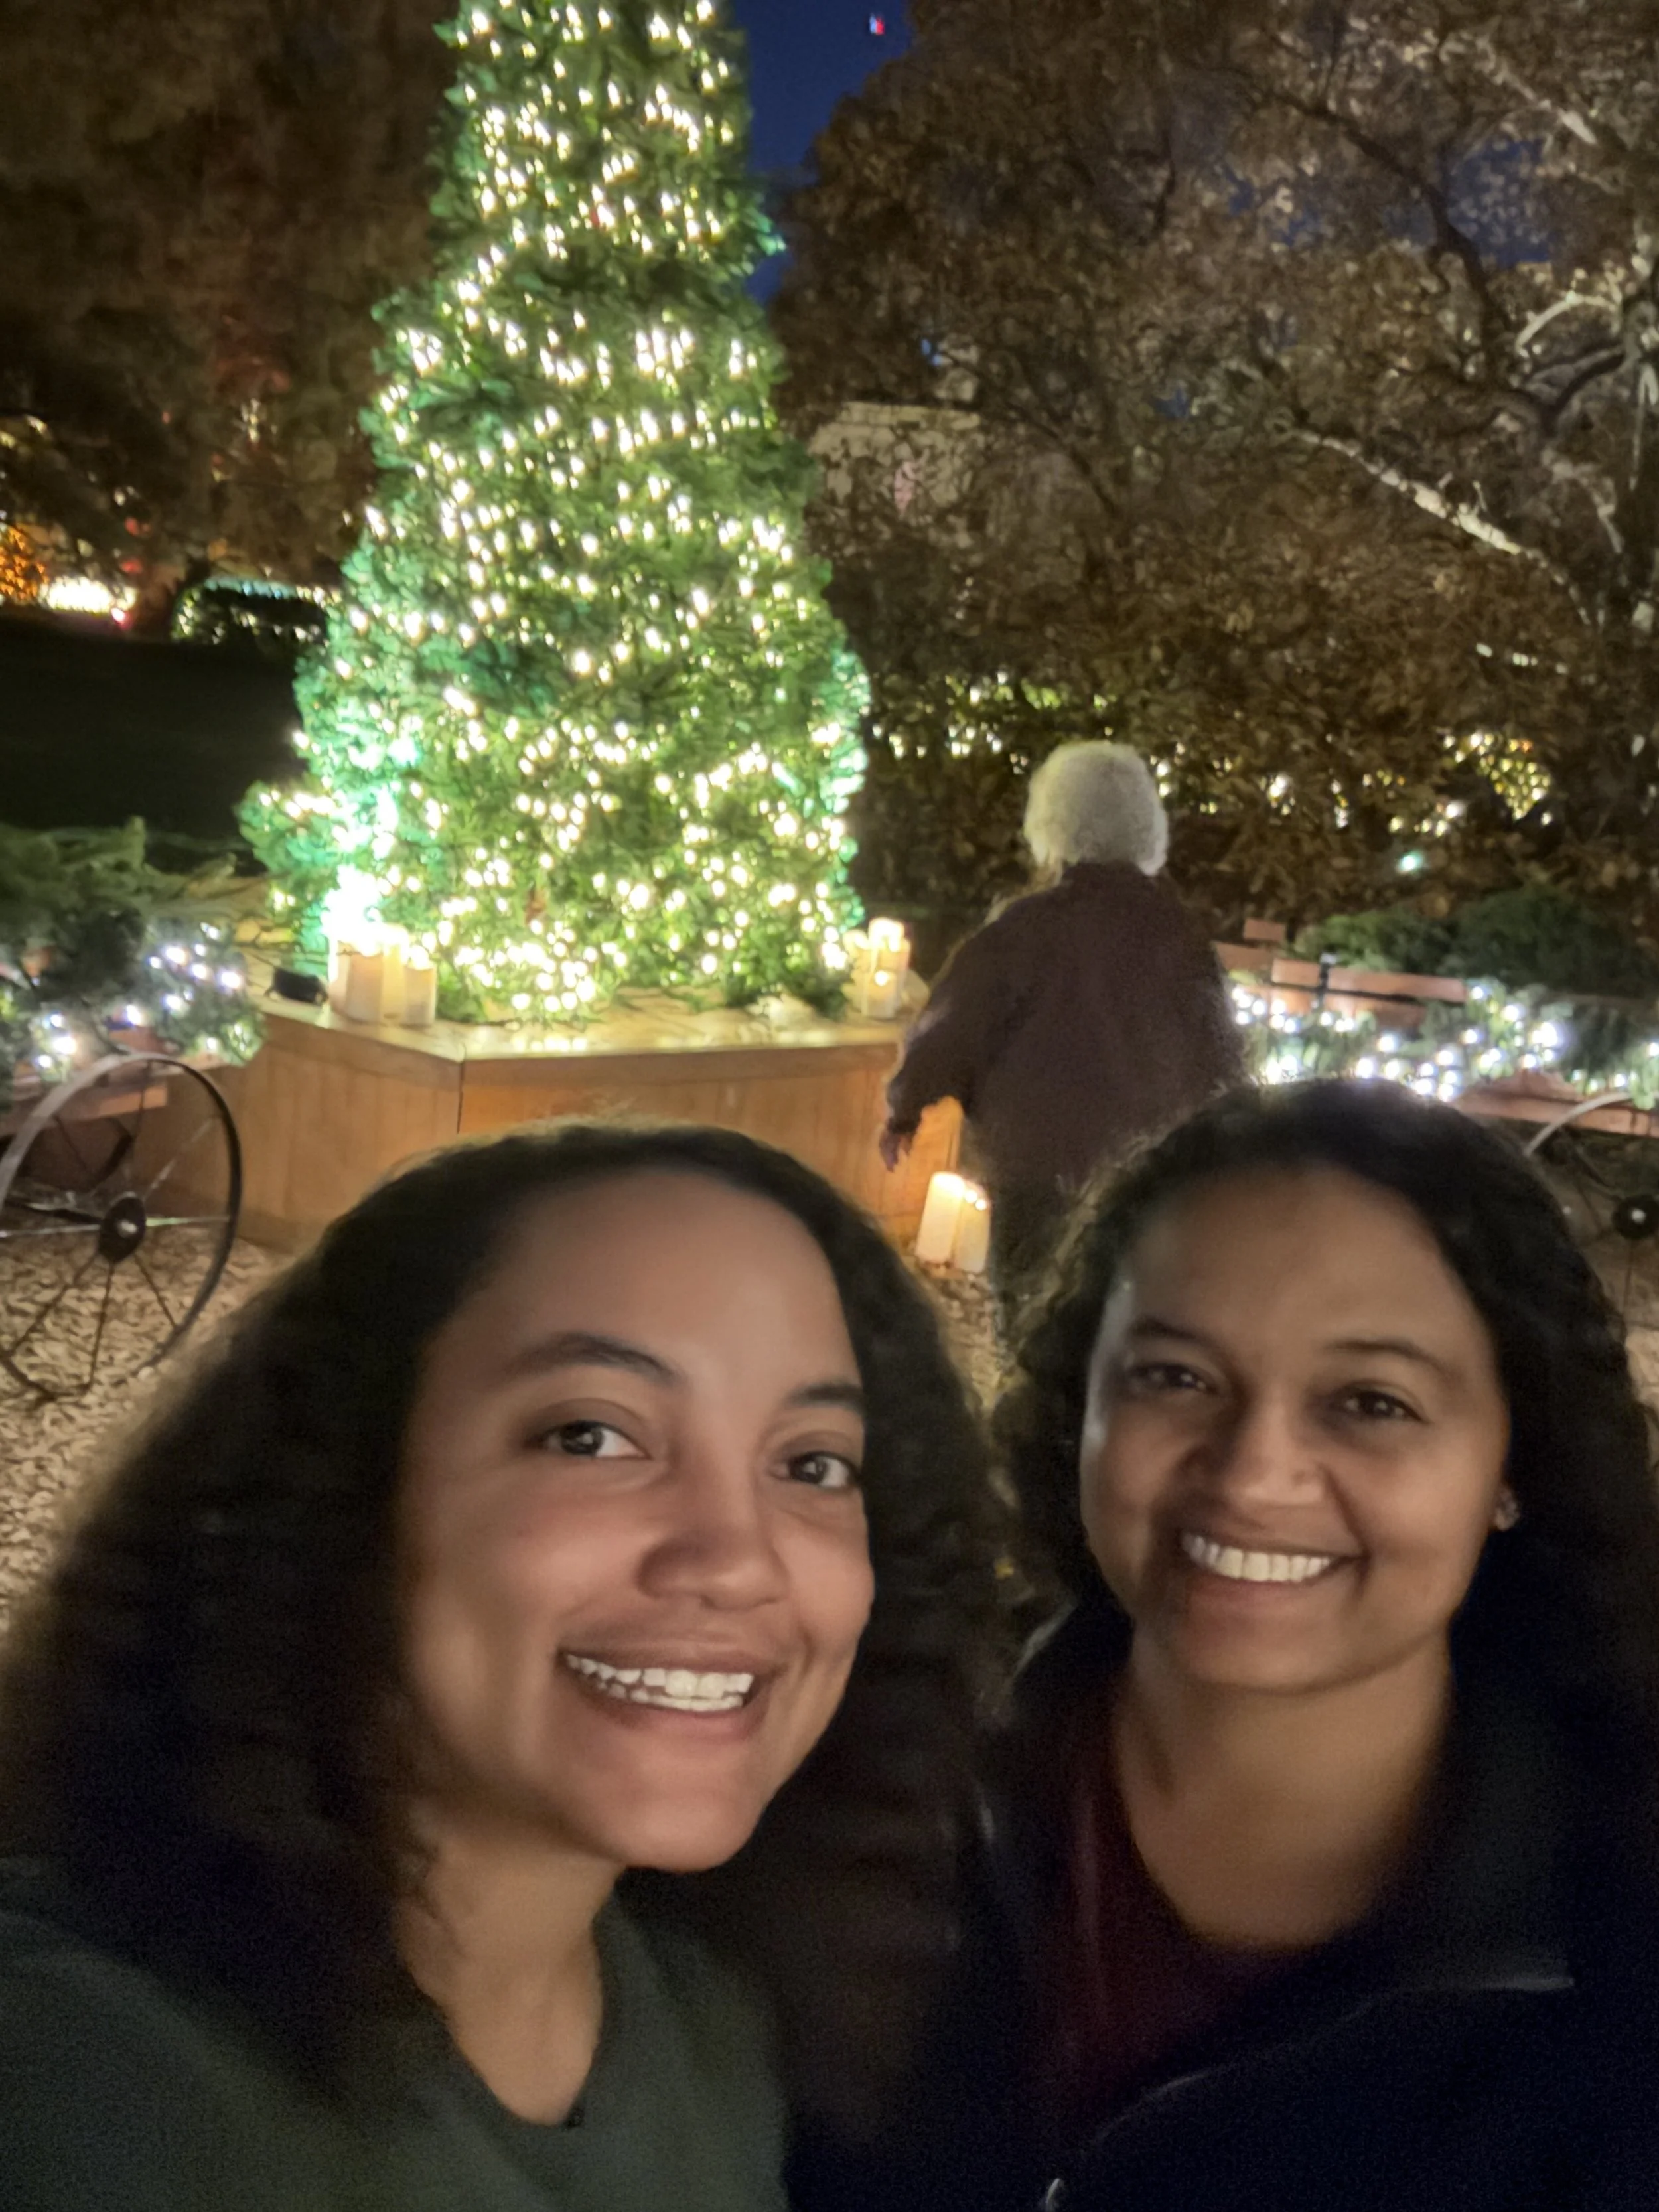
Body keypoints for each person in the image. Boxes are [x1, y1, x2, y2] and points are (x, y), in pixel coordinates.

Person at [0, 1121, 999, 2212]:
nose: (736, 1557)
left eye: (811, 1462)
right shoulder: (95, 2080)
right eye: (590, 1435)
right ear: (334, 1484)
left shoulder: (714, 2013)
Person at [796, 1080, 1659, 2212]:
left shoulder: (1619, 1930)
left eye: (1371, 1400)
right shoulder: (848, 1773)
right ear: (1081, 1406)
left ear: (1512, 1459)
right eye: (1177, 1377)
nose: (1253, 1474)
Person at [879, 741, 1240, 1333]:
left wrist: (905, 1107)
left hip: (1040, 1172)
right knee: (1124, 1326)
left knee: (1033, 1322)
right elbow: (1222, 1059)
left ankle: (1034, 1420)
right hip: (1155, 1178)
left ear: (1052, 822)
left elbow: (955, 1024)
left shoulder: (1026, 931)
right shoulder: (1185, 943)